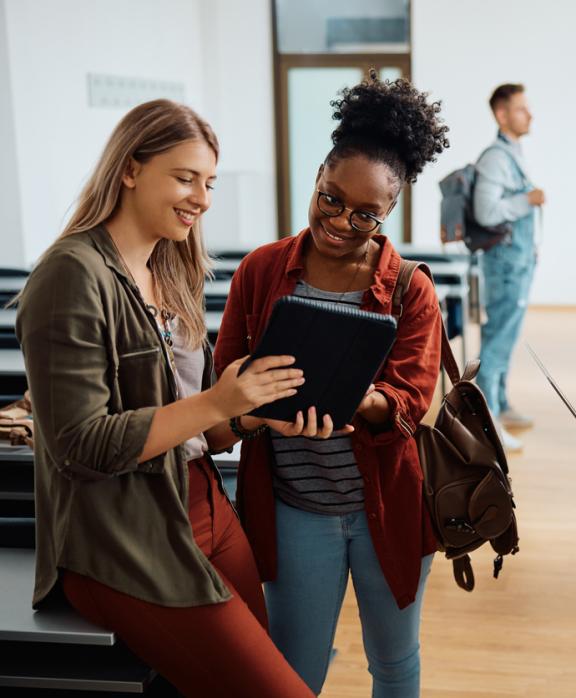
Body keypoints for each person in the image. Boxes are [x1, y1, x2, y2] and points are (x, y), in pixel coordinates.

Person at [16, 100, 315, 697]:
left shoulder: (171, 268)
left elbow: (197, 425)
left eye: (208, 182)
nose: (202, 197)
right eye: (184, 178)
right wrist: (215, 404)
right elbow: (79, 446)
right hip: (124, 537)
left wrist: (250, 411)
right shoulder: (70, 274)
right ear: (129, 169)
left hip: (204, 506)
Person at [214, 73, 448, 696]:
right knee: (293, 666)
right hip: (294, 507)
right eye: (330, 198)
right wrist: (259, 403)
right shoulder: (262, 271)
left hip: (387, 508)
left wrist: (358, 402)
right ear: (317, 176)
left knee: (394, 661)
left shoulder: (410, 288)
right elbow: (223, 381)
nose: (342, 221)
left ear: (390, 211)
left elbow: (410, 403)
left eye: (366, 213)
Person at [472, 83, 546, 451]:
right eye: (520, 109)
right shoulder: (496, 158)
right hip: (505, 265)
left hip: (516, 263)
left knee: (506, 336)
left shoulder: (511, 153)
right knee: (497, 341)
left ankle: (500, 403)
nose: (529, 114)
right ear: (502, 115)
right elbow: (485, 212)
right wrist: (526, 200)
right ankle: (486, 424)